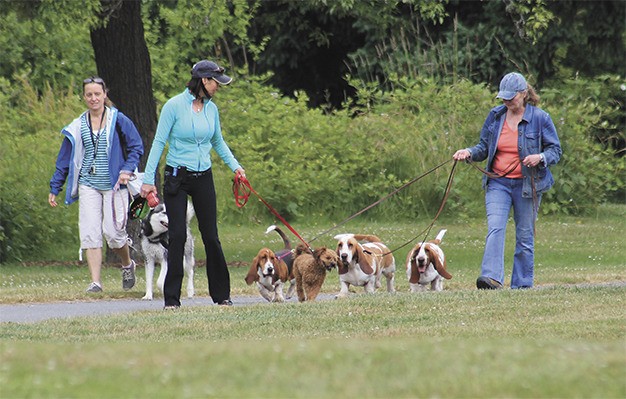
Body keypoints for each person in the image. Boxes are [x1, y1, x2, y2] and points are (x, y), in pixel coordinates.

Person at [140, 60, 245, 309]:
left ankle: (222, 296)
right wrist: (147, 180)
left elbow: (218, 142)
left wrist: (236, 167)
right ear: (203, 82)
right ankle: (172, 300)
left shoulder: (212, 110)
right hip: (177, 177)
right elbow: (158, 143)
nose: (218, 87)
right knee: (177, 235)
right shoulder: (174, 106)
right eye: (215, 83)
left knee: (211, 236)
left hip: (203, 176)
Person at [453, 72, 562, 289]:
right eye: (503, 98)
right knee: (495, 227)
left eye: (510, 97)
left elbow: (555, 150)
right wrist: (468, 152)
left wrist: (540, 157)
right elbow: (483, 148)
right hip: (498, 184)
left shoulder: (540, 118)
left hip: (527, 185)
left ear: (523, 94)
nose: (506, 101)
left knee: (524, 235)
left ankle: (521, 285)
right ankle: (492, 278)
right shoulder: (495, 116)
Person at [49, 76, 144, 293]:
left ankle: (127, 264)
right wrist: (55, 186)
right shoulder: (78, 125)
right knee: (90, 232)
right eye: (89, 94)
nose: (93, 98)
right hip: (88, 184)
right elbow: (64, 158)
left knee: (113, 234)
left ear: (105, 95)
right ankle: (95, 282)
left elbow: (136, 146)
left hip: (114, 185)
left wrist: (127, 169)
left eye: (97, 94)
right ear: (84, 97)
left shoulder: (118, 120)